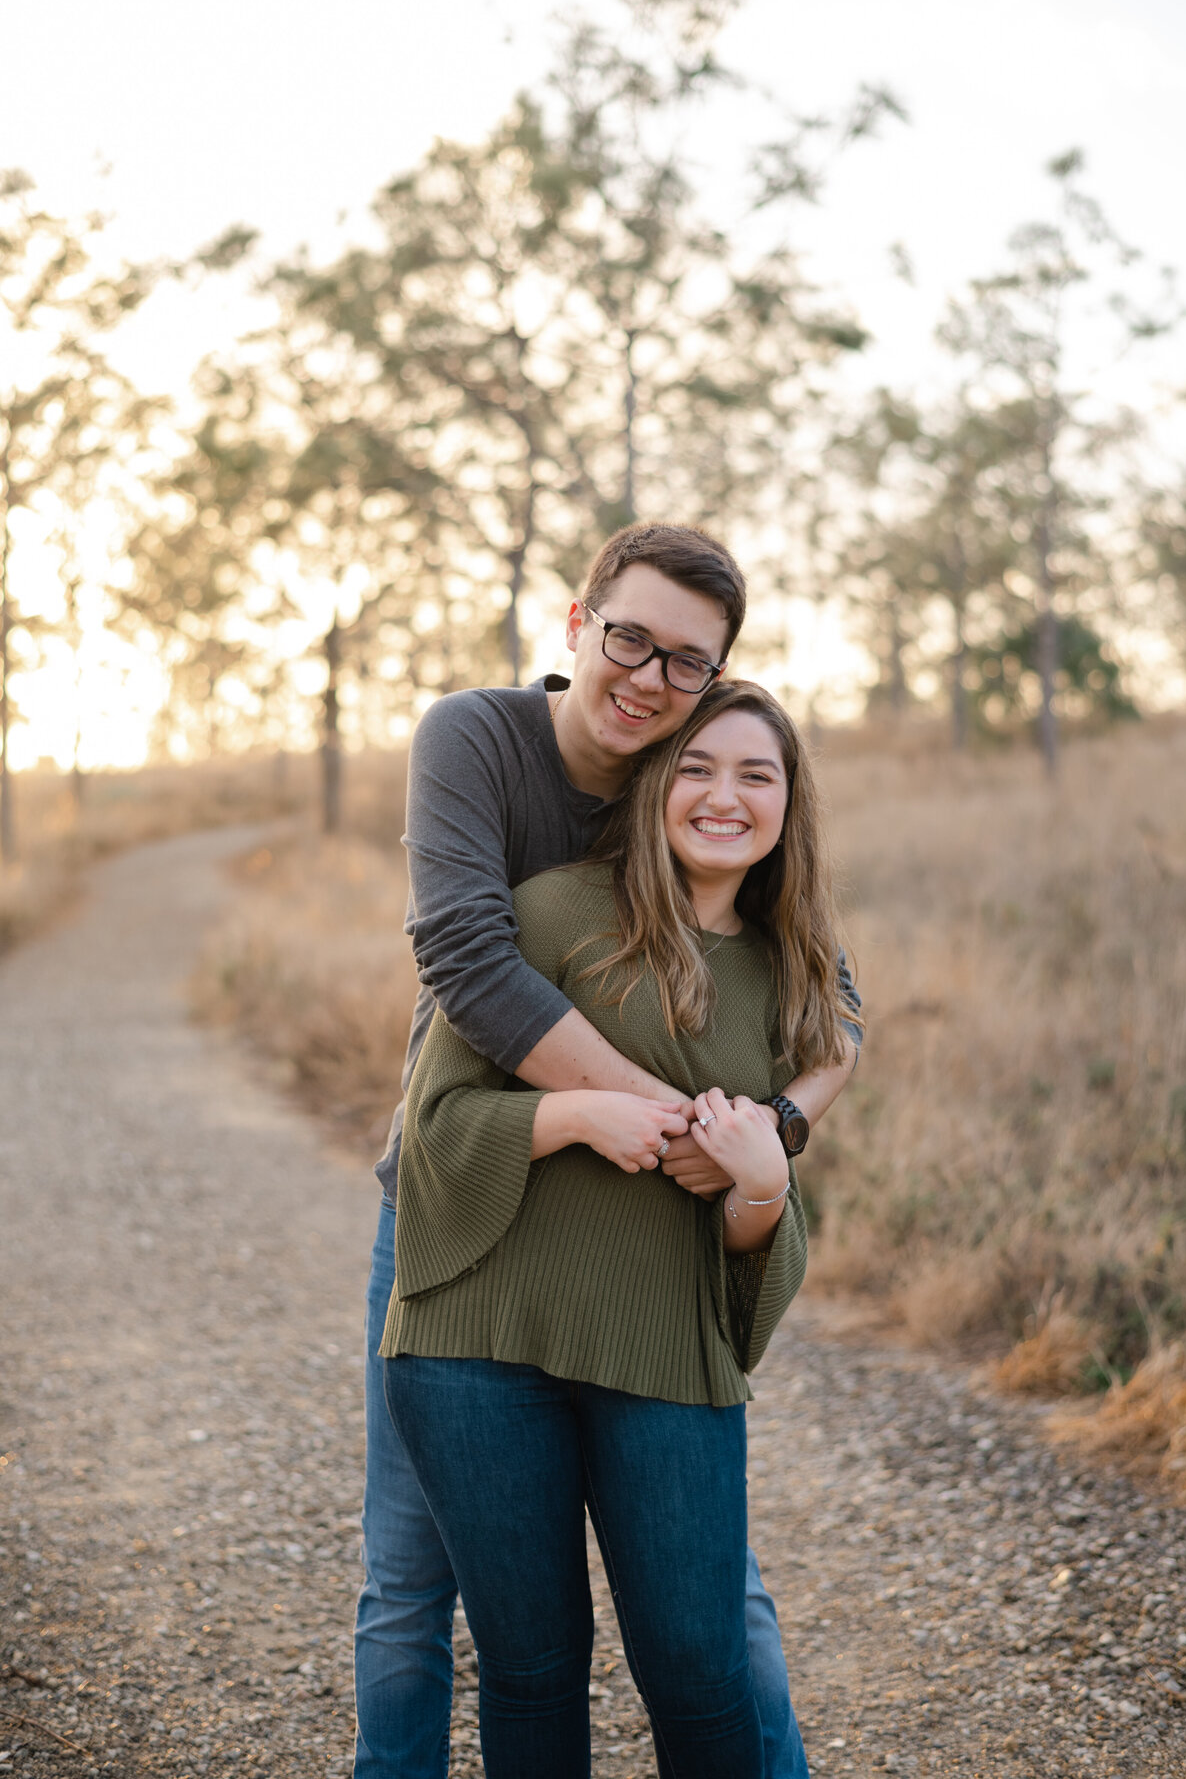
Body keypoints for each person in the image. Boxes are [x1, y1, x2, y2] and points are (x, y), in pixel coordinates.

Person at [354, 523, 863, 1777]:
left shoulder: (680, 775)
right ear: (578, 624)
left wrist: (779, 1126)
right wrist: (659, 1121)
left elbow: (822, 989)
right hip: (467, 1211)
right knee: (415, 1581)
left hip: (643, 1270)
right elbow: (469, 961)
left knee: (708, 1618)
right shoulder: (478, 741)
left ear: (715, 677)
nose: (645, 676)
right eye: (627, 638)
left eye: (686, 661)